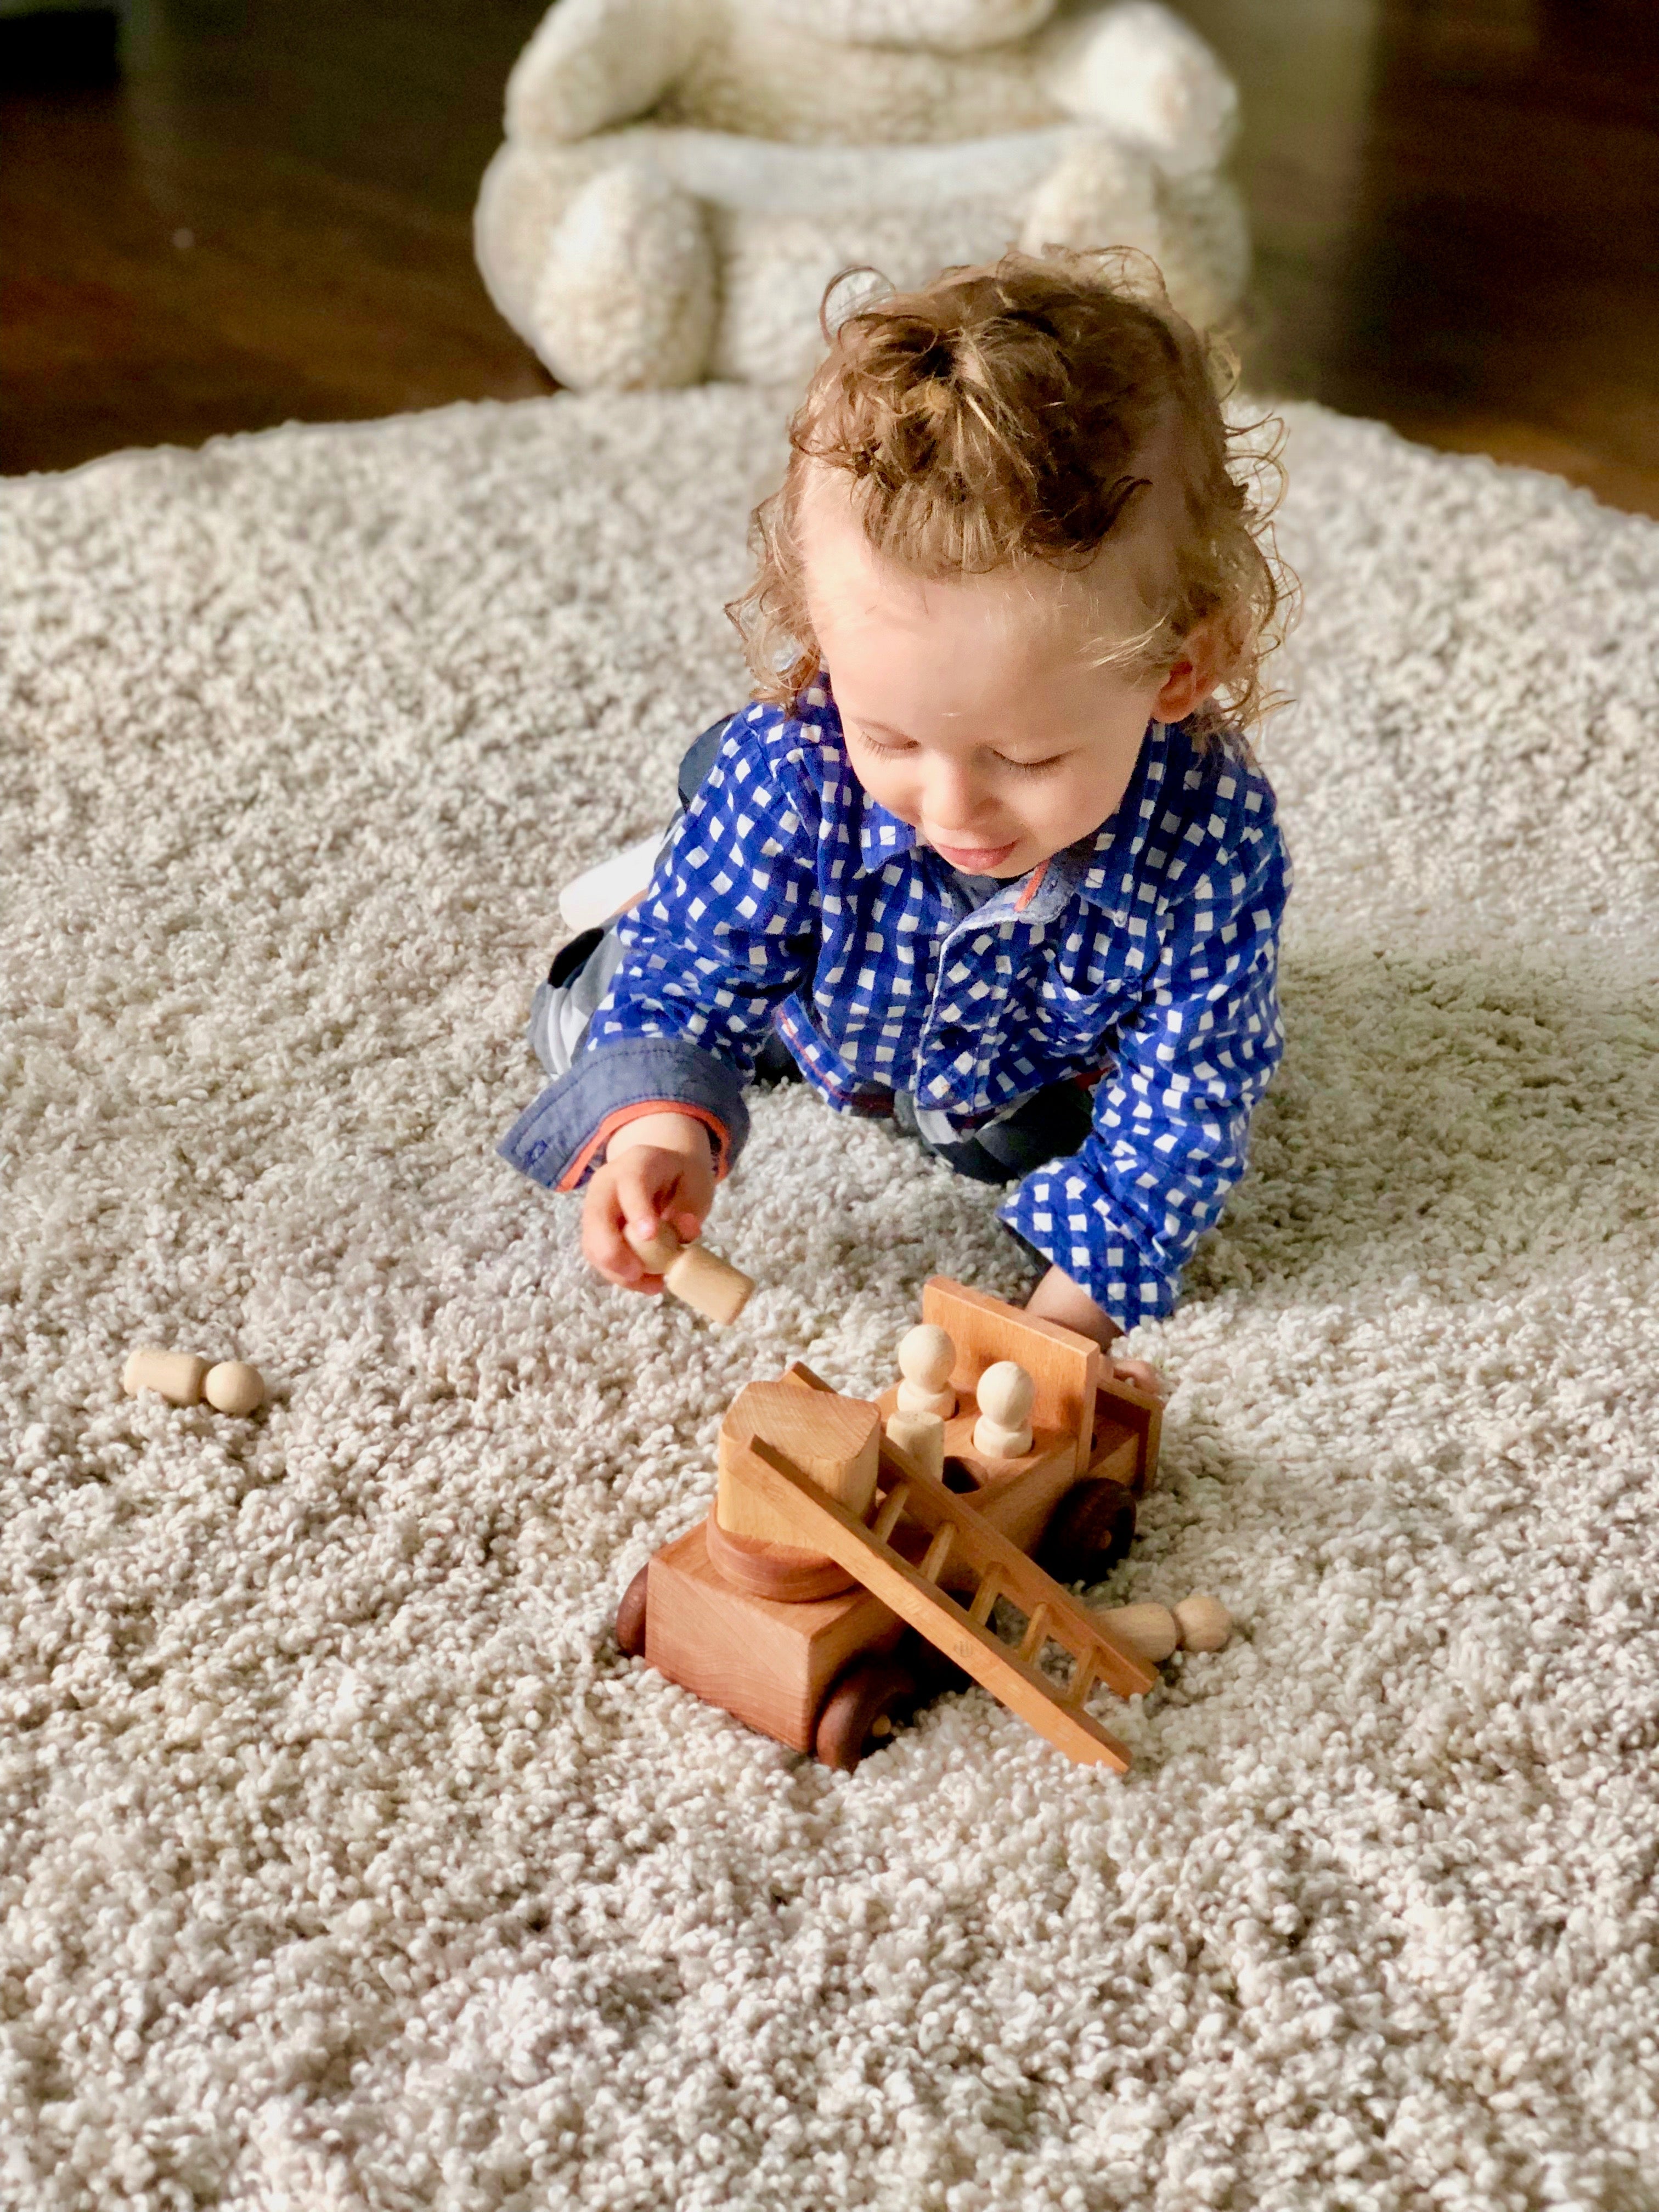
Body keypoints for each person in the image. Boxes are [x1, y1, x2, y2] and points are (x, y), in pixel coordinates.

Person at [499, 247, 1293, 1390]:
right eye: (895, 737)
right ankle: (686, 852)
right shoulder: (801, 766)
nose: (953, 808)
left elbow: (1189, 1106)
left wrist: (1062, 1324)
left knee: (1026, 1158)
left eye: (1023, 757)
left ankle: (762, 901)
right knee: (594, 1031)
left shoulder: (1212, 839)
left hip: (1019, 1058)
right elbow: (689, 976)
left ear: (1180, 668)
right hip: (817, 989)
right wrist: (658, 1134)